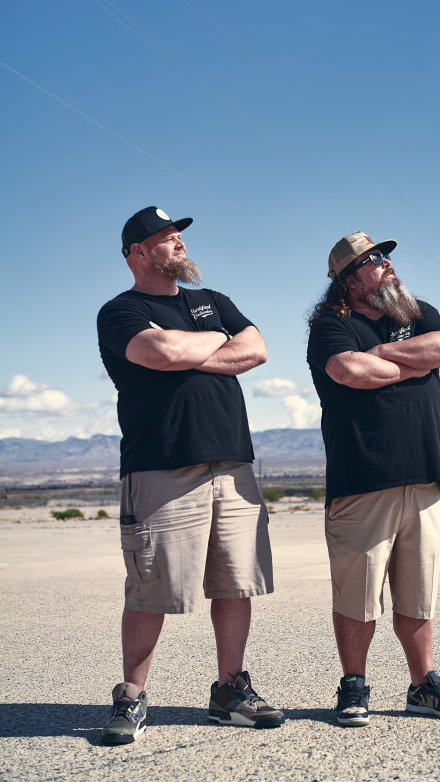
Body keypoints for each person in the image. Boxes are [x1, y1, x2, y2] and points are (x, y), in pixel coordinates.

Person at [96, 206, 283, 746]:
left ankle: (229, 692)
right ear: (137, 252)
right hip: (161, 466)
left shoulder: (212, 301)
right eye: (164, 236)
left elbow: (258, 348)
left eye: (178, 234)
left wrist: (189, 352)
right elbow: (160, 351)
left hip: (232, 463)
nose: (177, 240)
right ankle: (130, 697)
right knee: (152, 587)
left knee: (235, 581)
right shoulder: (120, 311)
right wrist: (210, 345)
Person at [306, 231, 440, 727]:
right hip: (363, 481)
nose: (386, 265)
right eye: (373, 260)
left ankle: (423, 685)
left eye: (385, 256)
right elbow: (352, 371)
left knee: (419, 590)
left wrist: (383, 355)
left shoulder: (416, 311)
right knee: (358, 595)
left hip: (423, 477)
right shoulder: (329, 325)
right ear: (348, 280)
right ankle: (353, 684)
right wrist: (408, 363)